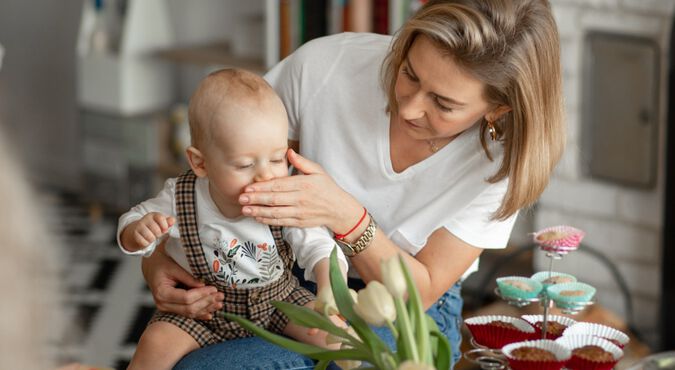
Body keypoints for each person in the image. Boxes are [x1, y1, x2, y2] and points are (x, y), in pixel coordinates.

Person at [141, 0, 565, 368]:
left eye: (443, 103)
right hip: (275, 274)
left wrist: (344, 214)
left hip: (407, 312)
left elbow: (416, 296)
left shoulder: (501, 160)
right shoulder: (328, 67)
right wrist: (158, 262)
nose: (410, 108)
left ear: (498, 109)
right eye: (410, 73)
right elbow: (218, 173)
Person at [118, 68, 348, 370]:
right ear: (200, 163)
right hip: (203, 311)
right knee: (154, 343)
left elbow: (319, 245)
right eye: (245, 164)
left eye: (278, 159)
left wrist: (329, 286)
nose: (266, 174)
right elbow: (131, 220)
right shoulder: (181, 196)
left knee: (338, 339)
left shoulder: (283, 199)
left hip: (277, 300)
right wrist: (138, 232)